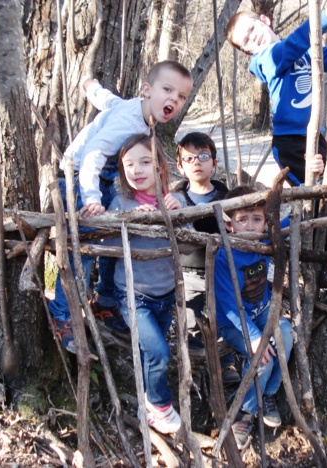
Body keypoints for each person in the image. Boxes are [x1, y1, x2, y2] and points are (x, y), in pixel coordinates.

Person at [48, 61, 193, 352]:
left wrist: (91, 87)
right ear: (147, 90)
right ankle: (63, 315)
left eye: (181, 97)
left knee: (112, 239)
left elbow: (108, 101)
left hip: (99, 180)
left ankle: (106, 300)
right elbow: (92, 154)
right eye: (167, 90)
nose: (173, 100)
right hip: (78, 178)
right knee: (84, 250)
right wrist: (90, 198)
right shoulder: (130, 123)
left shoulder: (134, 108)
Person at [225, 1, 327, 283]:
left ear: (265, 19)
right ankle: (321, 263)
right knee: (315, 197)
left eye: (253, 29)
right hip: (291, 143)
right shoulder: (264, 61)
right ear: (247, 52)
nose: (254, 38)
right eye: (247, 41)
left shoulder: (304, 50)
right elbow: (296, 43)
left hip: (316, 136)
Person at [213, 184, 320, 450]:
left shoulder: (263, 240)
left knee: (284, 335)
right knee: (262, 357)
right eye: (242, 219)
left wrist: (313, 183)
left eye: (257, 219)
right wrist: (254, 337)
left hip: (262, 314)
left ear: (265, 222)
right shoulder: (223, 256)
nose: (250, 225)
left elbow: (293, 218)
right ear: (229, 225)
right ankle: (245, 413)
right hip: (235, 323)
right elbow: (227, 305)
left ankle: (268, 394)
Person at [107, 133, 187, 434]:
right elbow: (106, 243)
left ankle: (146, 403)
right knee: (159, 353)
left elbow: (191, 245)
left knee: (147, 352)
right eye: (129, 164)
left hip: (165, 294)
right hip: (133, 294)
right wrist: (128, 220)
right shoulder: (120, 202)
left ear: (160, 168)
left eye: (145, 162)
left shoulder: (174, 200)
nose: (137, 170)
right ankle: (160, 405)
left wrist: (179, 217)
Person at [173, 132, 239, 385]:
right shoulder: (175, 200)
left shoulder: (230, 198)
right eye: (189, 158)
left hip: (222, 270)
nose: (197, 162)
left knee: (223, 315)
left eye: (203, 156)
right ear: (180, 166)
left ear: (214, 161)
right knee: (192, 320)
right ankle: (196, 367)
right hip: (189, 271)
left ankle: (224, 364)